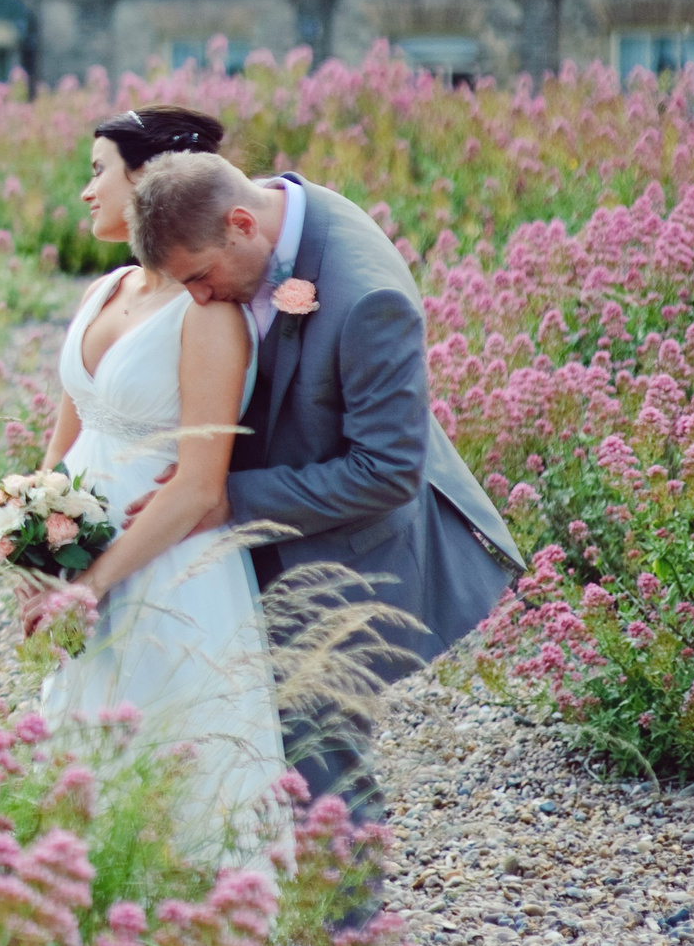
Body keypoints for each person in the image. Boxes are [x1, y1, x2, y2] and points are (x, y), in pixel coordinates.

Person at [123, 151, 524, 830]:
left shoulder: (366, 298)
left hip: (349, 553)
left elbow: (387, 472)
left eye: (199, 277)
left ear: (242, 224)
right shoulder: (272, 218)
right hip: (274, 531)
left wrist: (228, 498)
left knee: (319, 759)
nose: (199, 299)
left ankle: (348, 898)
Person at [30, 107, 286, 863]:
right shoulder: (103, 290)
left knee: (176, 760)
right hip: (82, 563)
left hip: (168, 566)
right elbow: (63, 444)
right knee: (83, 759)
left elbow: (202, 487)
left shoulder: (205, 312)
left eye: (99, 170)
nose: (87, 191)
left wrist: (91, 586)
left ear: (146, 179)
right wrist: (35, 554)